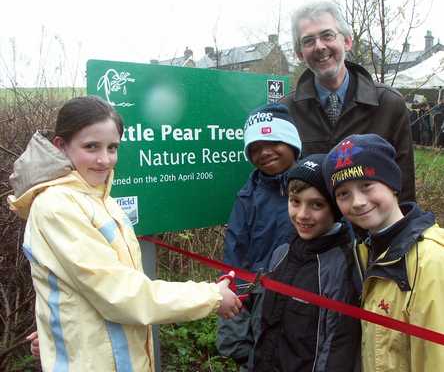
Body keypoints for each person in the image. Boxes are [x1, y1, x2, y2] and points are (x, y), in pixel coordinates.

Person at [7, 96, 242, 371]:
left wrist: (51, 329)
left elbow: (69, 289)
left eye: (112, 147)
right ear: (61, 145)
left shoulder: (103, 200)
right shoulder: (56, 206)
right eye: (91, 146)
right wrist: (212, 296)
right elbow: (122, 295)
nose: (104, 159)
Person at [323, 133, 444, 371]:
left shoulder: (430, 261)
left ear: (392, 184)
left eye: (367, 185)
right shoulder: (364, 251)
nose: (357, 202)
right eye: (343, 194)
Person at [281, 1, 415, 203]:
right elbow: (281, 186)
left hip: (372, 230)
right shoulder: (287, 111)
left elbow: (403, 187)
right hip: (313, 231)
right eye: (308, 41)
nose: (319, 46)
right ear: (300, 54)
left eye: (327, 35)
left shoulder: (388, 104)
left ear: (347, 42)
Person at [252, 154, 361, 372]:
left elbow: (337, 349)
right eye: (295, 202)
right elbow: (262, 323)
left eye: (317, 205)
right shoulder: (281, 253)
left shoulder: (343, 267)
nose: (302, 215)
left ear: (336, 209)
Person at [216, 103, 302, 371]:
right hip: (259, 299)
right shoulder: (247, 196)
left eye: (274, 141)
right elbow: (237, 254)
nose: (264, 152)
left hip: (302, 302)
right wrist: (236, 306)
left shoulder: (314, 189)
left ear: (293, 143)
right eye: (254, 147)